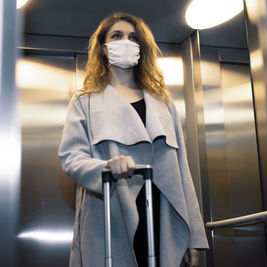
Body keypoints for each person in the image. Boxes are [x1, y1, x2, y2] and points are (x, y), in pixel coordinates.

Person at [58, 12, 208, 267]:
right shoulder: (85, 101)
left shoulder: (163, 104)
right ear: (104, 48)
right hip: (110, 213)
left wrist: (194, 235)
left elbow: (183, 171)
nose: (125, 42)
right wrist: (105, 167)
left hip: (162, 216)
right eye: (116, 36)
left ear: (141, 48)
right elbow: (71, 158)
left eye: (133, 38)